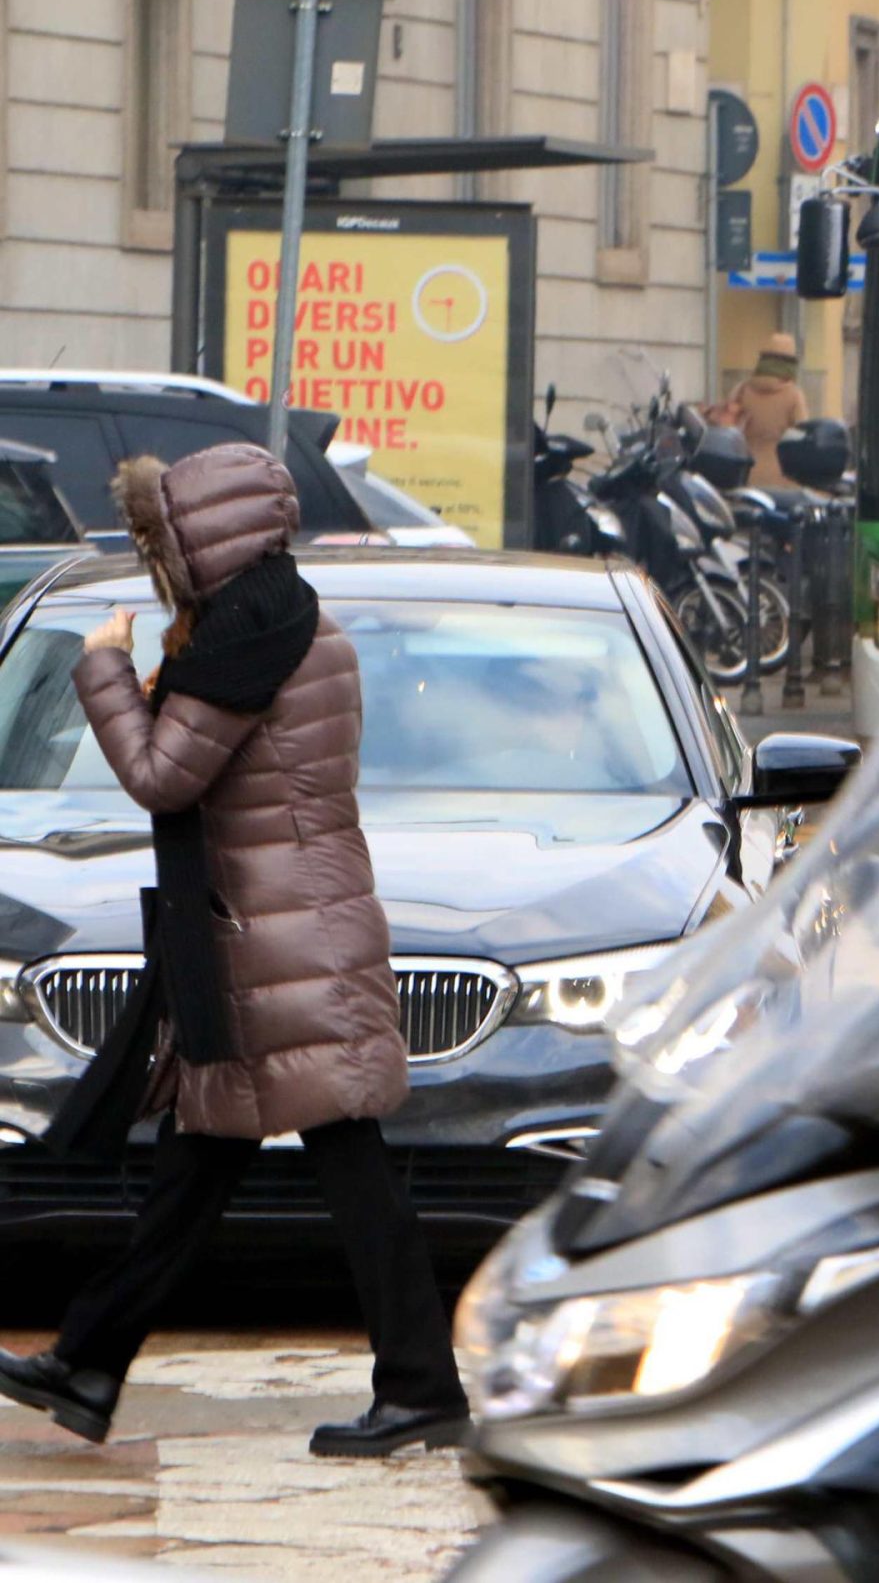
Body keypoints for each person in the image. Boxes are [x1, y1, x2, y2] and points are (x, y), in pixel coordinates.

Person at [0, 447, 468, 1457]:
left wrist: (106, 668)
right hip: (268, 937)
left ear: (203, 542)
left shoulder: (253, 644)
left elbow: (162, 777)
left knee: (349, 1168)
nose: (160, 564)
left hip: (280, 941)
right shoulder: (285, 625)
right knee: (197, 1167)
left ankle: (423, 1387)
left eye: (162, 545)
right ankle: (88, 1361)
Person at [726, 331, 812, 488]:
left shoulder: (741, 390)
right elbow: (803, 437)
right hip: (783, 477)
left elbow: (727, 429)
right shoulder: (794, 395)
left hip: (744, 474)